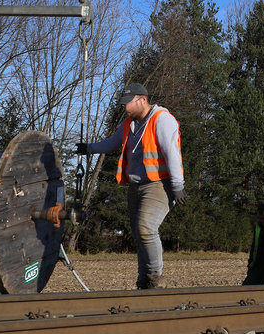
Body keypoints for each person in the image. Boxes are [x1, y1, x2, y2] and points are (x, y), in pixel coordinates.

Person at [76, 83, 185, 290]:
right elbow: (111, 143)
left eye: (128, 103)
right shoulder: (129, 124)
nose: (125, 108)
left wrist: (178, 185)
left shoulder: (161, 119)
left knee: (146, 228)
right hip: (136, 186)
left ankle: (155, 278)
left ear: (142, 99)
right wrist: (88, 148)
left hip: (158, 184)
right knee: (138, 232)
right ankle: (143, 279)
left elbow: (173, 153)